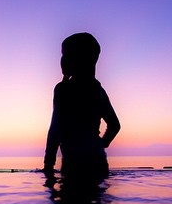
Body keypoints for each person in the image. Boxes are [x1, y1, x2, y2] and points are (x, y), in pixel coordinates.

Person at [43, 32, 120, 179]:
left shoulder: (63, 90)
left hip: (74, 163)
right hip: (98, 161)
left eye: (65, 54)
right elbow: (115, 125)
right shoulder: (98, 91)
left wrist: (48, 165)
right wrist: (100, 144)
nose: (61, 59)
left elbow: (55, 130)